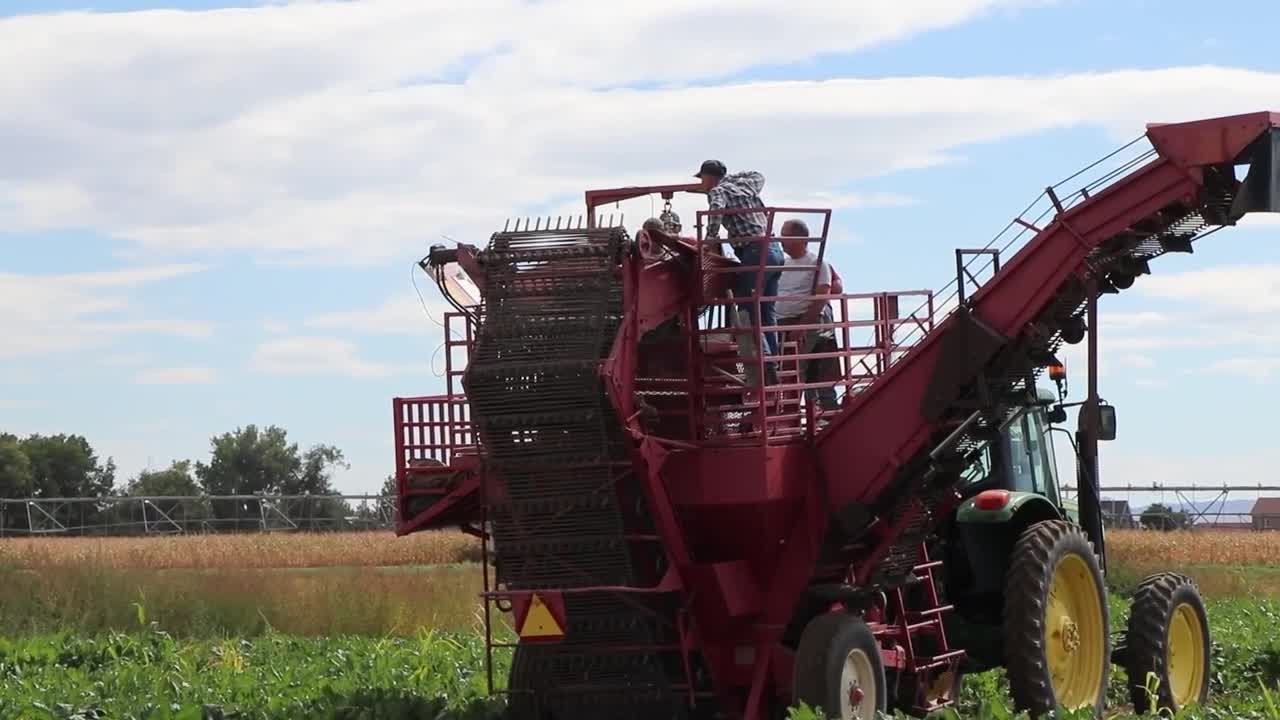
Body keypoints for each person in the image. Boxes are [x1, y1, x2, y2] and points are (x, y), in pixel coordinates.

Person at [695, 160, 785, 388]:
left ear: (709, 178)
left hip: (754, 252)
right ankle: (773, 361)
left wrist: (710, 239)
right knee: (766, 311)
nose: (702, 184)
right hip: (774, 250)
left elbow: (716, 210)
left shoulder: (718, 190)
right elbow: (758, 174)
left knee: (746, 308)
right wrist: (728, 178)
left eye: (702, 179)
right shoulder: (746, 184)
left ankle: (764, 363)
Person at [775, 219, 842, 410]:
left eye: (785, 235)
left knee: (809, 369)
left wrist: (802, 326)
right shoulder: (782, 264)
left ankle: (823, 412)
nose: (781, 240)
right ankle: (797, 412)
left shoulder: (817, 264)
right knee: (793, 372)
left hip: (807, 324)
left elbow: (822, 296)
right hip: (784, 324)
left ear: (800, 238)